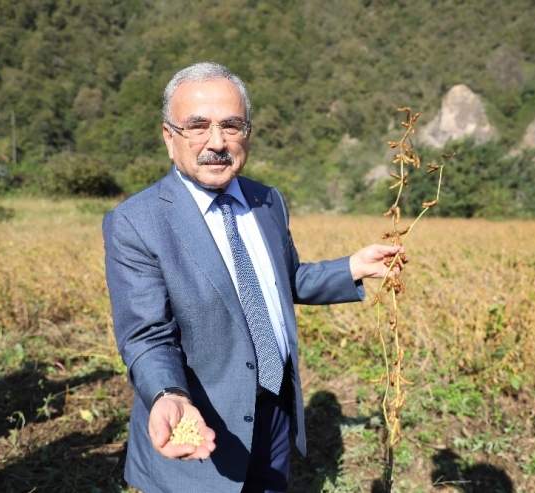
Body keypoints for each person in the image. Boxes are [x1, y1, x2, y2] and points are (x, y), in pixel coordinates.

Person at [103, 61, 404, 493]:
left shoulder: (267, 201)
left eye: (231, 125)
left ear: (248, 133)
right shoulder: (137, 221)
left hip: (276, 408)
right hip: (204, 416)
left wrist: (353, 267)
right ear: (170, 137)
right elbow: (147, 336)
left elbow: (283, 281)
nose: (216, 142)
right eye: (197, 126)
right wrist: (169, 394)